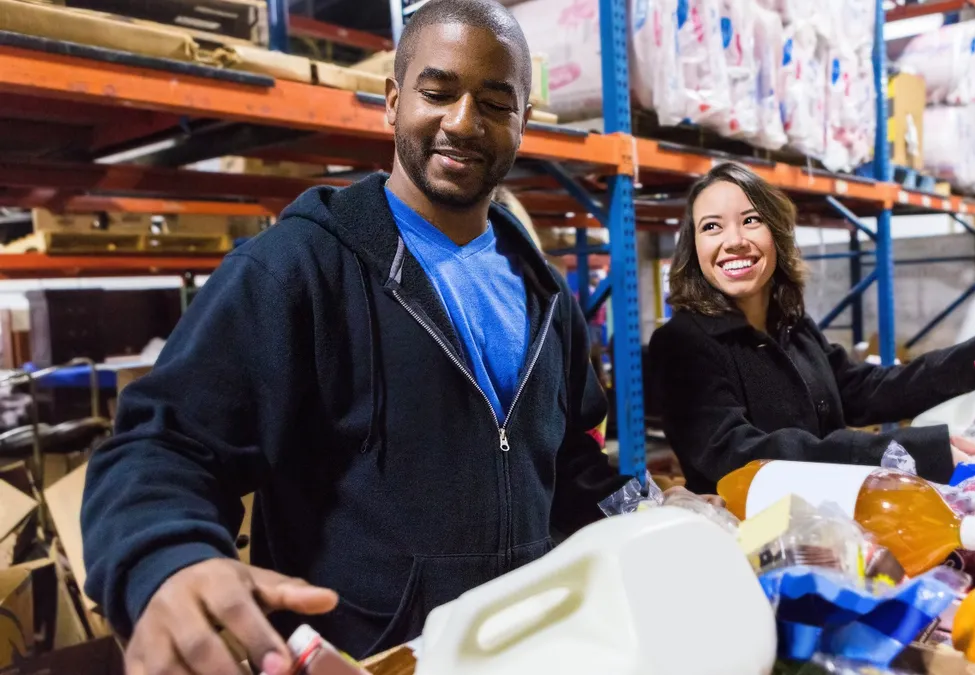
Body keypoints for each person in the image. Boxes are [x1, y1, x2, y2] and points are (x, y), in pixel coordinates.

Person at [80, 2, 713, 672]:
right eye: (437, 93)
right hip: (372, 658)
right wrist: (165, 559)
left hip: (525, 649)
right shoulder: (301, 268)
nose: (463, 122)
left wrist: (654, 509)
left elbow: (570, 467)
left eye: (496, 103)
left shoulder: (544, 293)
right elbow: (163, 444)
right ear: (391, 102)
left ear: (523, 124)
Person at [649, 163, 975, 494]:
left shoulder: (791, 325)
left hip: (832, 523)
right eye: (711, 227)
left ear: (778, 236)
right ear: (694, 248)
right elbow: (738, 456)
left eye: (751, 221)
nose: (733, 241)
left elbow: (865, 389)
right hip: (754, 545)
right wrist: (908, 452)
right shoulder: (683, 345)